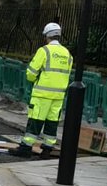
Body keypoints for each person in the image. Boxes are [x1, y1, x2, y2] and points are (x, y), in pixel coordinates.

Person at [11, 22, 74, 158]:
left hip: (42, 94)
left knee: (35, 121)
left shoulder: (44, 51)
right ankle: (47, 150)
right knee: (52, 123)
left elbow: (31, 72)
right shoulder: (67, 53)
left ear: (47, 36)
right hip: (58, 96)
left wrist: (34, 80)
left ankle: (26, 148)